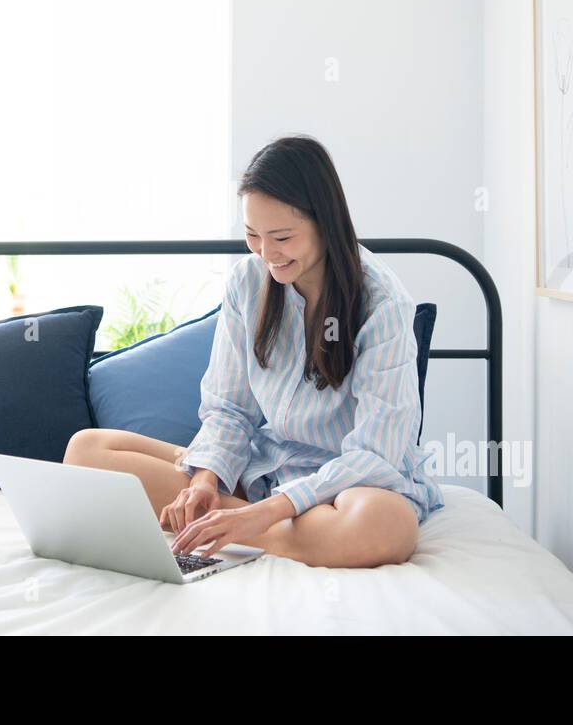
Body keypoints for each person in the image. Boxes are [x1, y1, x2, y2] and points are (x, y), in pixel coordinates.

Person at [63, 134, 443, 568]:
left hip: (347, 486)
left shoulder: (383, 303)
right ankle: (235, 520)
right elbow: (229, 410)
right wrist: (206, 479)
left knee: (383, 525)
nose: (266, 253)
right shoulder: (247, 282)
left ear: (326, 222)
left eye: (282, 237)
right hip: (266, 467)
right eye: (252, 235)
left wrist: (264, 512)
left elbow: (375, 454)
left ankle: (240, 526)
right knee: (86, 450)